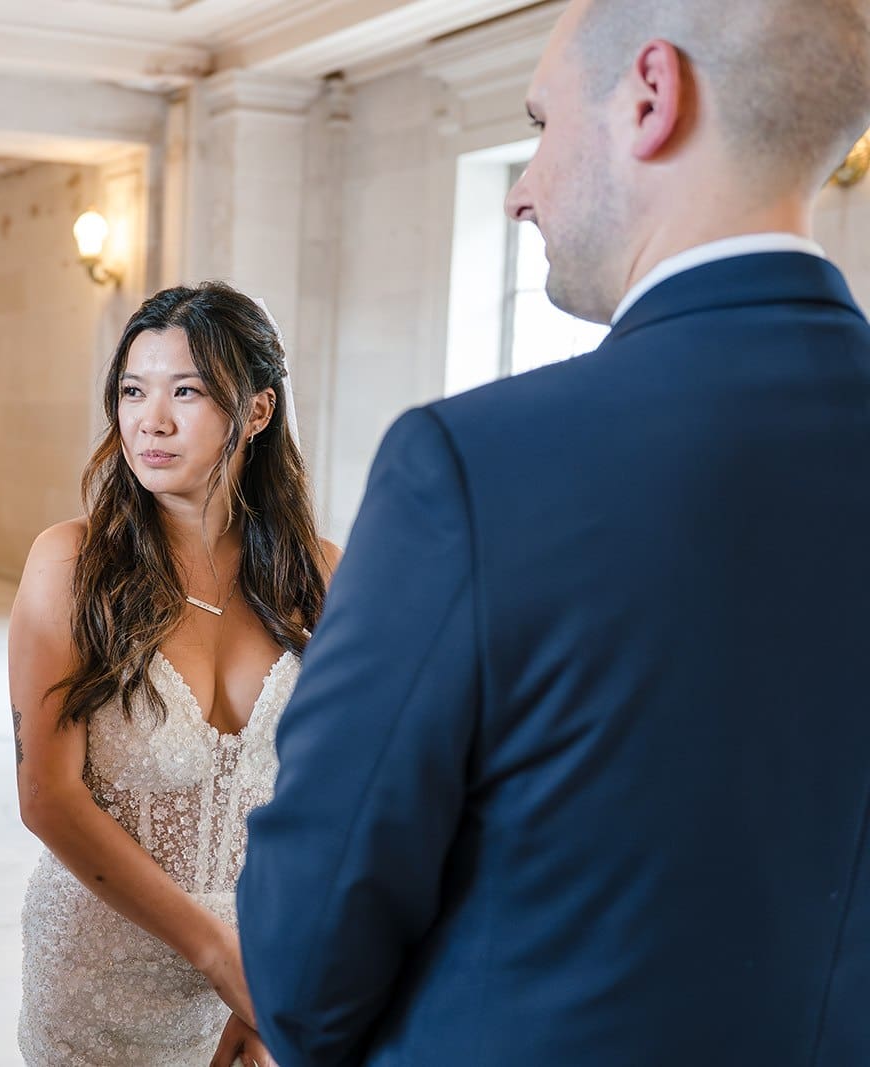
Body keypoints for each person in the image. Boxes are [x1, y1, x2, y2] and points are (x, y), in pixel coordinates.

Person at [238, 0, 870, 1063]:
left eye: (537, 123)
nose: (521, 191)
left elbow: (304, 959)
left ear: (650, 96)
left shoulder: (472, 466)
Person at [11, 283, 341, 1066]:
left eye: (185, 391)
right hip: (99, 973)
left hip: (259, 961)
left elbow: (333, 801)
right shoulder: (71, 563)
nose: (149, 420)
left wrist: (261, 991)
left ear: (257, 412)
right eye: (132, 390)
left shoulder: (322, 578)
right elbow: (46, 797)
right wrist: (219, 957)